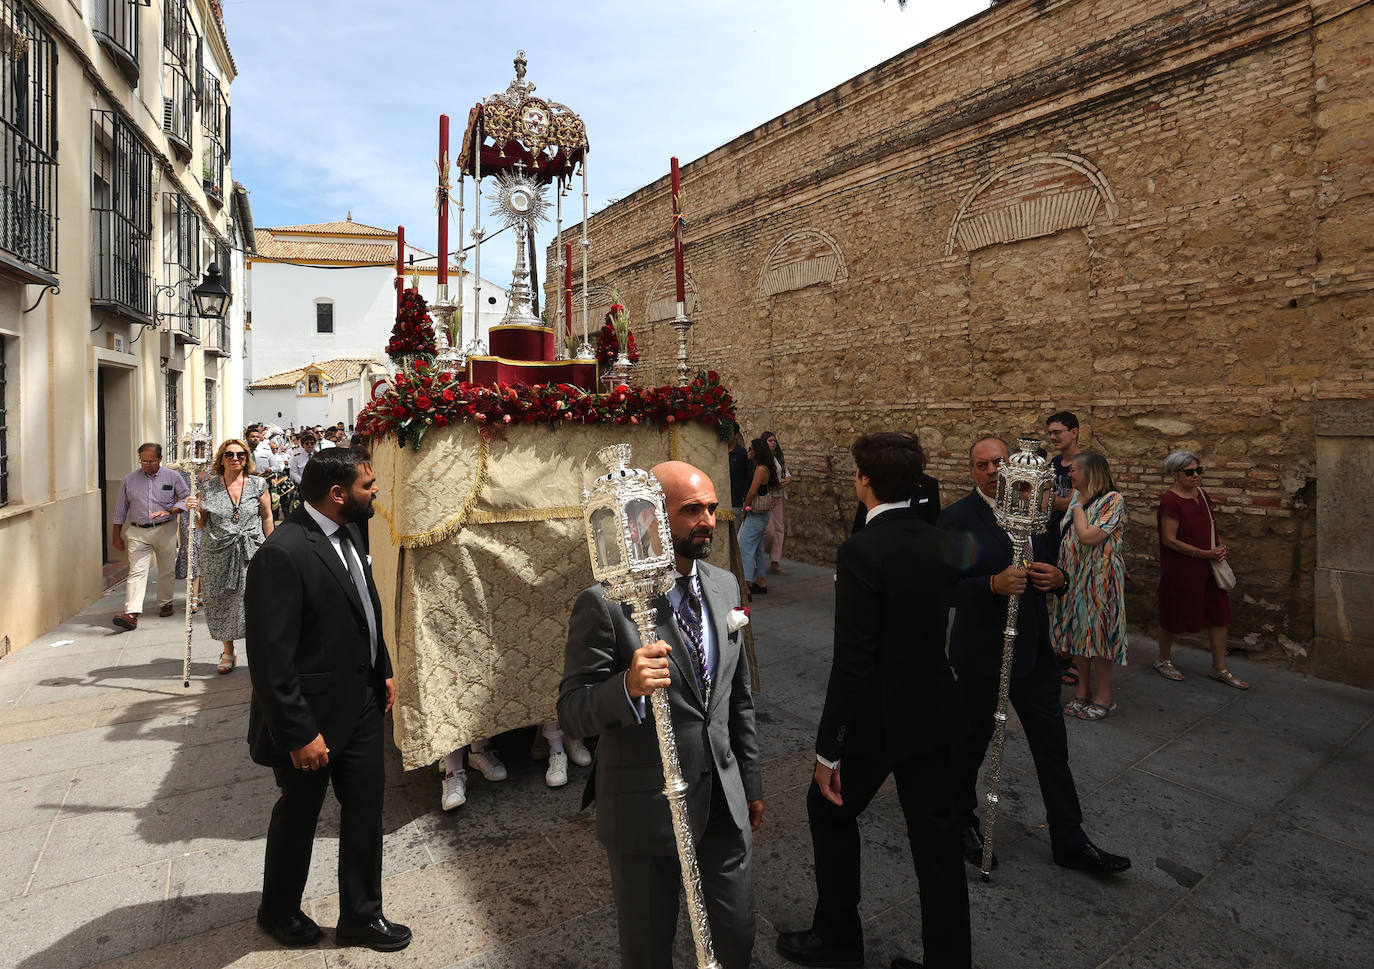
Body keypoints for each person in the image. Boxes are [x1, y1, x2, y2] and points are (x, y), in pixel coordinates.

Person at [558, 460, 763, 969]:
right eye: (691, 509)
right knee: (648, 950)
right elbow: (572, 713)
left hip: (721, 801)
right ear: (649, 517)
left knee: (735, 935)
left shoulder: (725, 586)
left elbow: (738, 699)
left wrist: (751, 783)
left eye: (713, 508)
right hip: (645, 812)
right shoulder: (605, 605)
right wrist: (625, 686)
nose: (708, 521)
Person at [776, 432, 970, 969]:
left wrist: (828, 747)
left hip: (880, 717)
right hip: (935, 708)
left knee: (828, 806)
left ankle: (838, 935)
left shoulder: (862, 548)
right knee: (938, 846)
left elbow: (854, 659)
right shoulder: (940, 539)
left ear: (863, 479)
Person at [939, 436, 1130, 875]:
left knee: (1052, 747)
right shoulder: (955, 520)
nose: (991, 470)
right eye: (981, 464)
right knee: (969, 746)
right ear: (972, 471)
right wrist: (991, 585)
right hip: (981, 654)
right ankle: (961, 820)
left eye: (998, 462)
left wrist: (1058, 579)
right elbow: (943, 590)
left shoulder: (1037, 513)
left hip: (1033, 653)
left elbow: (1058, 570)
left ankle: (1070, 837)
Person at [244, 447, 410, 952]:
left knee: (365, 812)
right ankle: (278, 911)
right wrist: (298, 733)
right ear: (337, 494)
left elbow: (364, 606)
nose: (376, 490)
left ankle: (362, 915)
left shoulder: (353, 531)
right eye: (368, 484)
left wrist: (381, 671)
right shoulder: (283, 553)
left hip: (360, 706)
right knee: (299, 817)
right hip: (309, 720)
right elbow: (271, 659)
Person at [1155, 450, 1248, 689]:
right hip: (1181, 567)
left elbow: (1209, 527)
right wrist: (1204, 553)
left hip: (1208, 565)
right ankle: (1164, 660)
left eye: (1199, 470)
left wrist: (1218, 549)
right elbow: (1169, 539)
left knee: (1219, 614)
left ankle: (1220, 667)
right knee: (1173, 612)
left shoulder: (1203, 496)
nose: (1196, 475)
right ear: (1175, 474)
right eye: (1189, 472)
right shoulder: (1170, 501)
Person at [186, 440, 273, 675]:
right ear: (221, 459)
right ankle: (228, 650)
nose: (236, 458)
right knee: (222, 600)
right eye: (230, 454)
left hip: (251, 549)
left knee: (254, 600)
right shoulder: (208, 488)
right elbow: (202, 524)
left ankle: (259, 650)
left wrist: (273, 547)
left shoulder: (258, 484)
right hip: (217, 552)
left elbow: (267, 517)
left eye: (241, 455)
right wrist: (194, 509)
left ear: (247, 458)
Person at [1055, 452, 1129, 720]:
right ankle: (1082, 692)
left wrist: (1076, 505)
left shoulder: (1113, 500)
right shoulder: (1078, 498)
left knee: (1099, 637)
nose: (1069, 474)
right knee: (1078, 637)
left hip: (1100, 579)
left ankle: (1105, 697)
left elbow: (1088, 536)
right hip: (1074, 579)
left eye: (1073, 470)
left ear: (1089, 472)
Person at [111, 443, 190, 631]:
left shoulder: (173, 477)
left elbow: (186, 498)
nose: (146, 464)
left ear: (160, 459)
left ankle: (165, 603)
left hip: (165, 529)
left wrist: (171, 510)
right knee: (137, 571)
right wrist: (116, 535)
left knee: (166, 569)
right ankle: (131, 613)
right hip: (138, 531)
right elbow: (120, 510)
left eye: (151, 461)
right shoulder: (129, 480)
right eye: (143, 461)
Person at [739, 438, 777, 597]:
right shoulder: (765, 468)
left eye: (750, 449)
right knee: (759, 548)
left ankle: (746, 584)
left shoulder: (760, 469)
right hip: (763, 515)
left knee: (745, 546)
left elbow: (752, 492)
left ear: (756, 452)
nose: (748, 452)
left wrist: (744, 509)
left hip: (756, 514)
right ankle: (760, 580)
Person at [761, 430, 793, 575]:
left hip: (778, 496)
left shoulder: (779, 458)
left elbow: (787, 476)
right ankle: (761, 552)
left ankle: (775, 561)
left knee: (779, 529)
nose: (773, 443)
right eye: (770, 440)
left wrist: (783, 483)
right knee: (769, 531)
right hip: (766, 498)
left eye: (774, 440)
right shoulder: (761, 459)